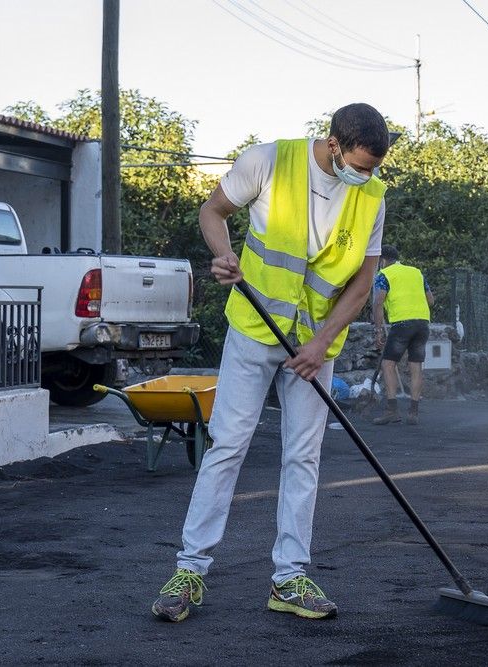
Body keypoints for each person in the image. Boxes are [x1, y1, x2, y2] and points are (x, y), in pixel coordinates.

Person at [150, 102, 391, 622]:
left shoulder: (372, 196)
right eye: (361, 165)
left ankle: (290, 577)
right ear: (333, 144)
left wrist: (322, 340)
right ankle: (189, 569)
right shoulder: (266, 162)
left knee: (303, 455)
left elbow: (362, 281)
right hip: (256, 331)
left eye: (374, 168)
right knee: (228, 445)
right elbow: (212, 212)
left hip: (314, 346)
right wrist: (223, 253)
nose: (366, 176)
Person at [371, 244, 435, 425]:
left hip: (402, 324)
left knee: (388, 364)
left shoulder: (384, 275)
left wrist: (378, 331)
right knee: (416, 367)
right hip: (422, 323)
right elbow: (431, 300)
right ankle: (413, 412)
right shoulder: (416, 272)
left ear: (382, 260)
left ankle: (392, 410)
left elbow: (378, 303)